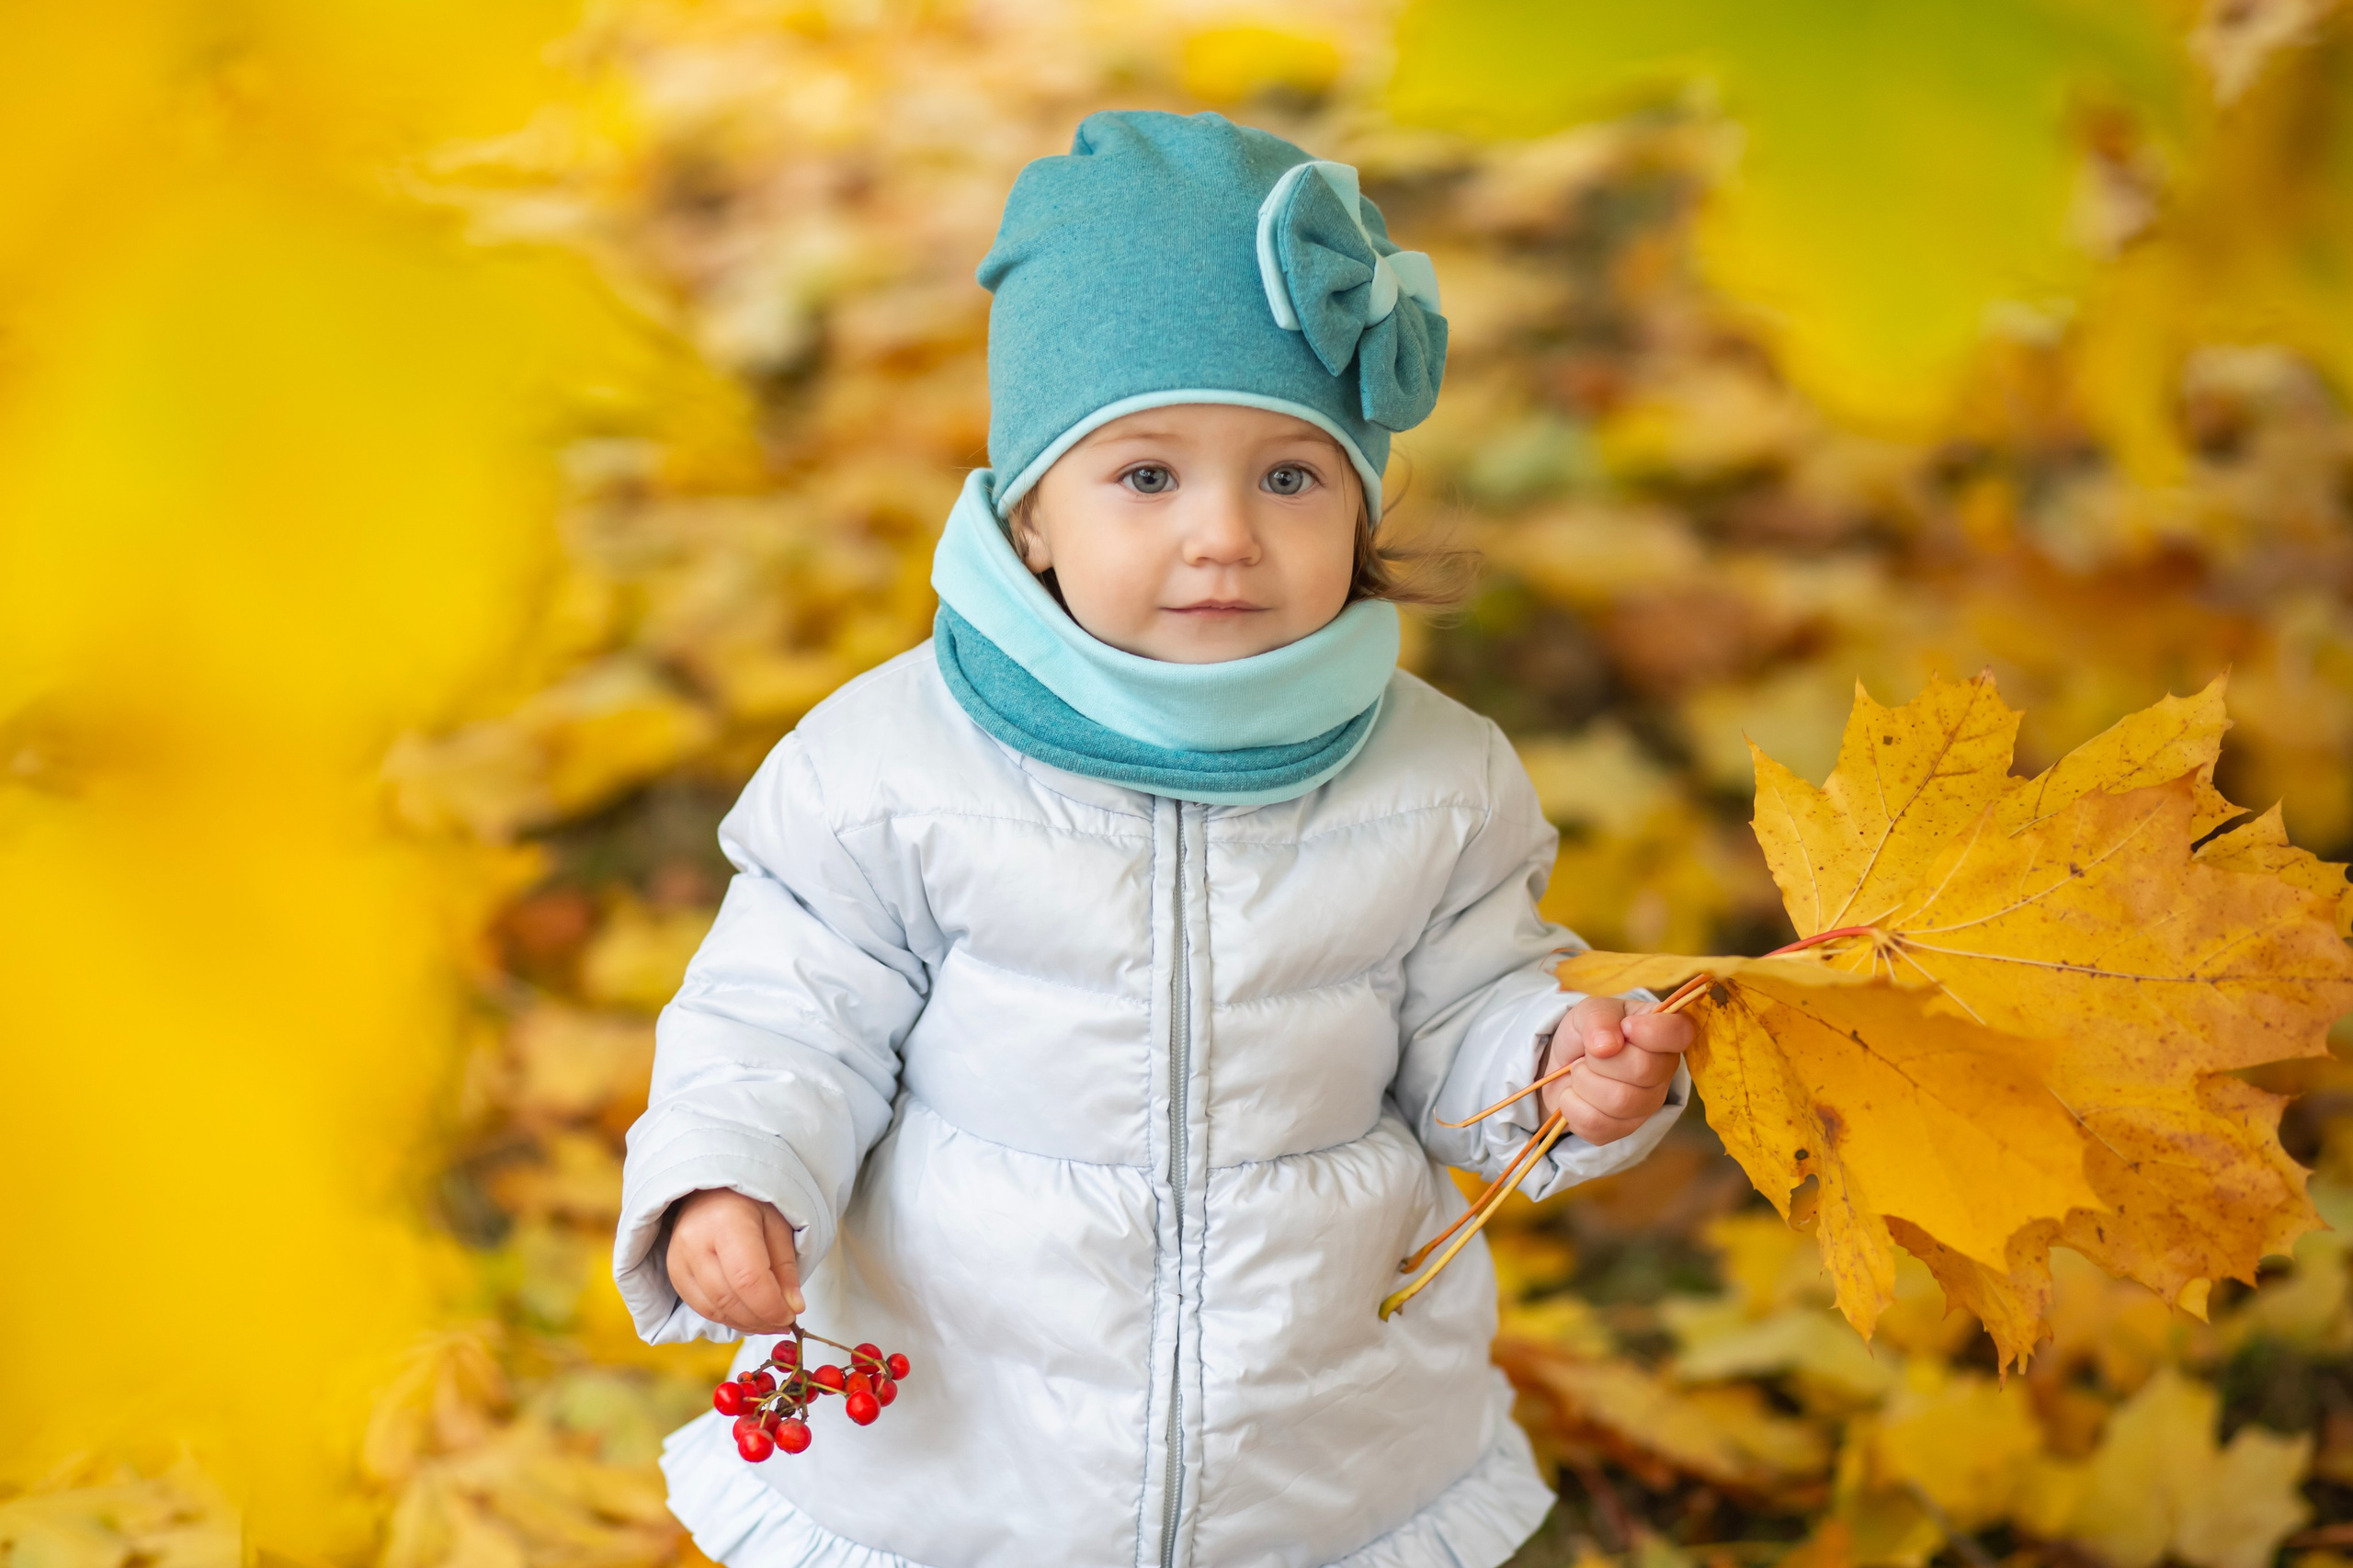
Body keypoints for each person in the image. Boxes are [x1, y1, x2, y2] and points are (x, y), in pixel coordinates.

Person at [613, 109, 1694, 1568]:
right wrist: (731, 1170)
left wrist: (1561, 1065)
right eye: (1147, 476)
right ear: (1031, 517)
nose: (1224, 533)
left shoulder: (1438, 780)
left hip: (1315, 1431)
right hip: (969, 1432)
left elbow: (1470, 1015)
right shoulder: (888, 768)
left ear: (1361, 505)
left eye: (1290, 477)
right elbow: (781, 1013)